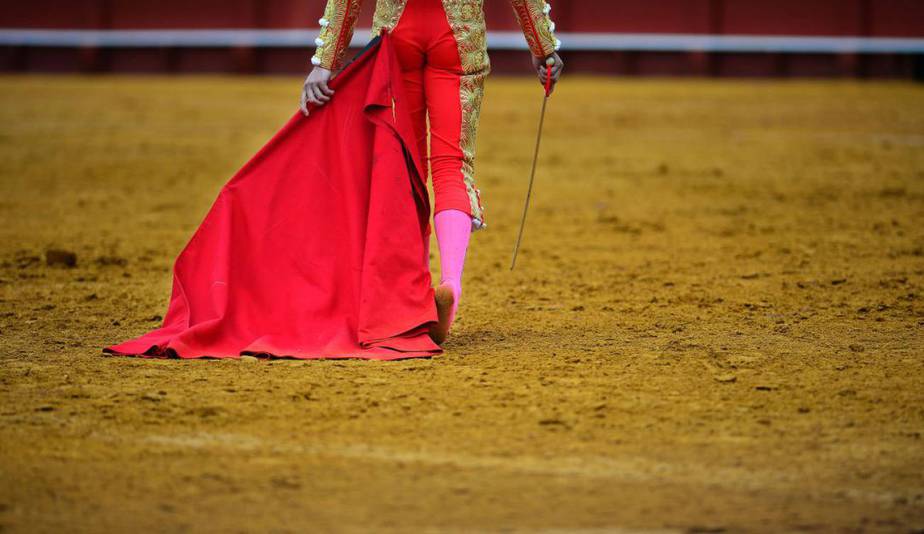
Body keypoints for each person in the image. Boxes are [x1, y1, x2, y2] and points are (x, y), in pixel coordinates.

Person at [300, 0, 563, 344]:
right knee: (452, 164)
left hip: (397, 34)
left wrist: (325, 62)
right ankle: (450, 282)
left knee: (406, 165)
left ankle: (414, 296)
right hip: (459, 36)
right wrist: (543, 48)